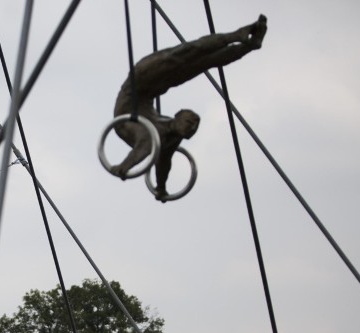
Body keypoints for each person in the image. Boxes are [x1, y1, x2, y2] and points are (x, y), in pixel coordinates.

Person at [110, 15, 267, 200]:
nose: (191, 128)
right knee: (188, 52)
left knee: (203, 62)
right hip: (141, 80)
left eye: (194, 126)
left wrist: (160, 188)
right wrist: (125, 167)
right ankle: (236, 36)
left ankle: (249, 45)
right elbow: (146, 147)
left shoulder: (164, 136)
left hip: (143, 93)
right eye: (189, 122)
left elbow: (163, 161)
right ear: (177, 117)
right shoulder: (158, 134)